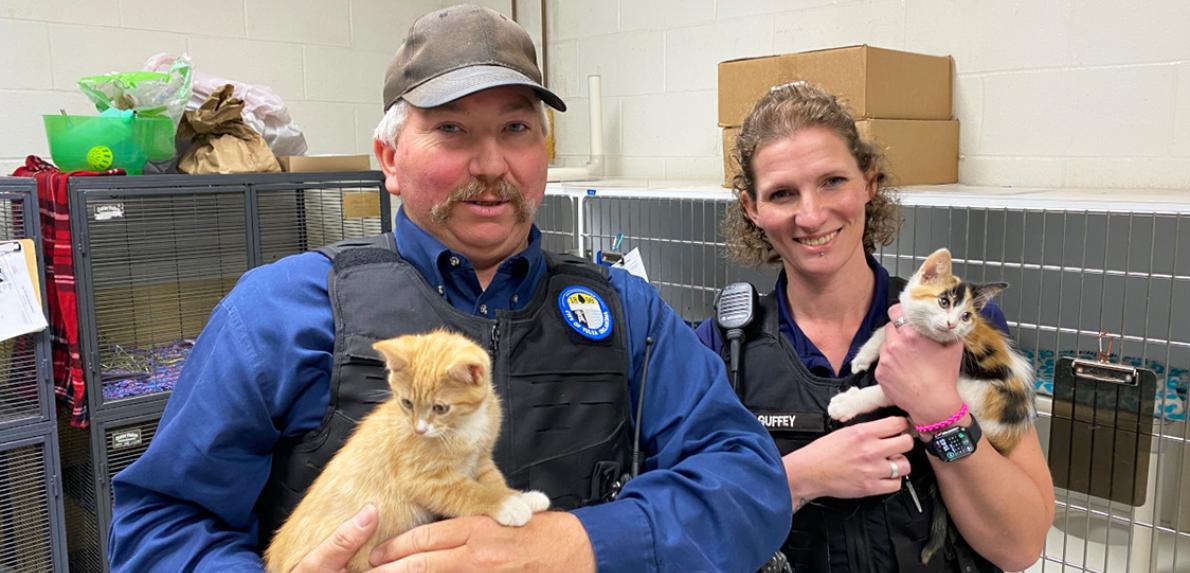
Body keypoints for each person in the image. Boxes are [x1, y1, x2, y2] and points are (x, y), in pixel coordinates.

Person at [107, 5, 791, 572]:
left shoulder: (625, 312)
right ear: (389, 158)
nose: (491, 164)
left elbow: (749, 483)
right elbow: (157, 525)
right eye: (451, 129)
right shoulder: (280, 313)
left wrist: (582, 543)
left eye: (515, 128)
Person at [696, 82, 1055, 572]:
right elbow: (685, 528)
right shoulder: (722, 348)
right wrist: (798, 478)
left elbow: (1020, 545)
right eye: (782, 193)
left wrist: (938, 410)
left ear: (868, 182)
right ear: (751, 209)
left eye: (832, 181)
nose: (811, 215)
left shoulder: (968, 331)